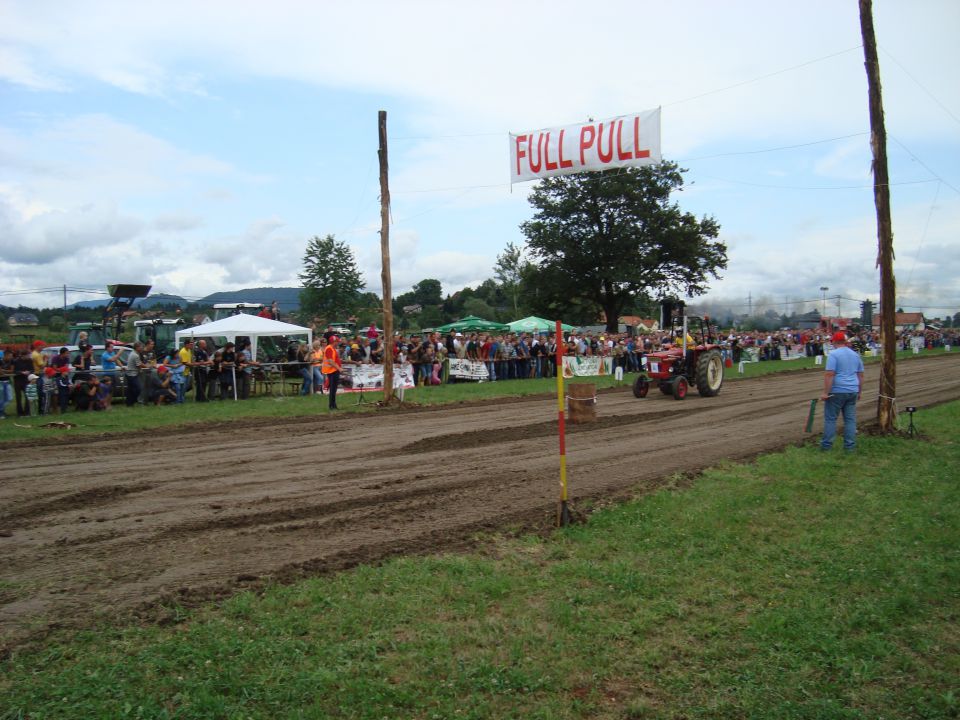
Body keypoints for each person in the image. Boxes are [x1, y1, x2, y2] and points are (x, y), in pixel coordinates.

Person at [820, 331, 864, 452]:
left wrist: (825, 392)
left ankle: (826, 446)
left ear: (834, 342)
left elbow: (830, 374)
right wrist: (859, 391)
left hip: (837, 390)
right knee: (850, 420)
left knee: (830, 419)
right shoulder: (855, 355)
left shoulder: (833, 355)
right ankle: (850, 447)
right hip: (853, 389)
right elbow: (861, 375)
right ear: (845, 342)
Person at [322, 334, 342, 410]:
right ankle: (332, 406)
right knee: (333, 389)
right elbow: (330, 361)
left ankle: (333, 405)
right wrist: (339, 368)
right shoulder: (329, 349)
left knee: (334, 389)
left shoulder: (332, 349)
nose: (338, 343)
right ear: (334, 342)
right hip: (332, 371)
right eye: (337, 341)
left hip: (334, 371)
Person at [124, 342, 143, 406]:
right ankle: (132, 401)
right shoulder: (135, 355)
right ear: (137, 347)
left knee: (130, 389)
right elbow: (139, 365)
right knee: (138, 389)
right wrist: (145, 367)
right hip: (132, 374)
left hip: (129, 374)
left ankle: (129, 403)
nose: (142, 348)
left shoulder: (132, 353)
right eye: (141, 347)